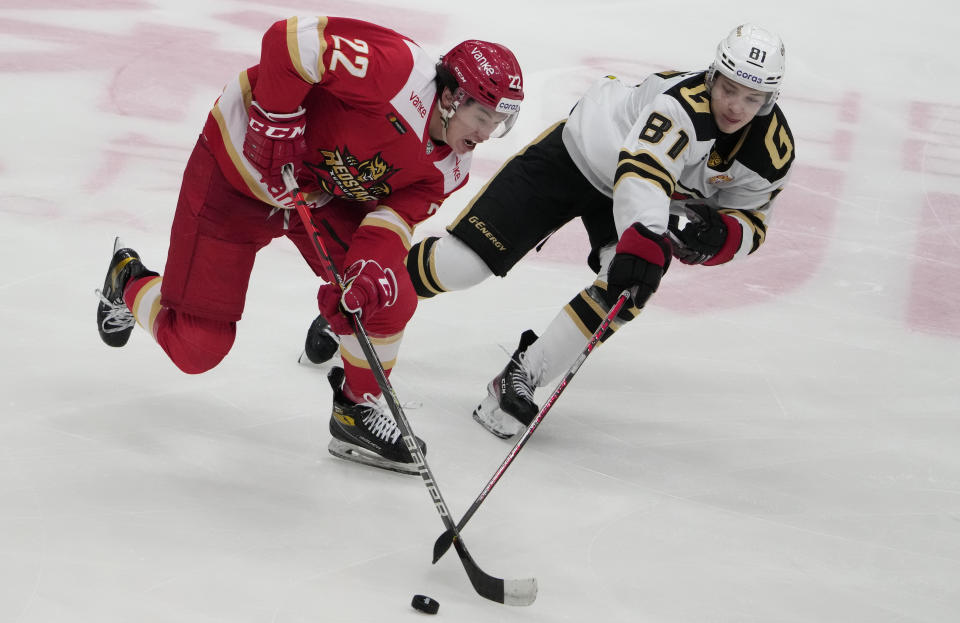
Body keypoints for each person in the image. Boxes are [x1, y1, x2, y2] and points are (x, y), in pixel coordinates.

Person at [306, 23, 796, 438]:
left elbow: (754, 219)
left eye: (752, 97)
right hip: (577, 157)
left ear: (770, 98)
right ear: (712, 76)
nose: (735, 106)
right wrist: (645, 237)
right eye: (728, 88)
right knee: (462, 266)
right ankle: (362, 297)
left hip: (638, 196)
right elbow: (643, 171)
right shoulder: (682, 105)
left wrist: (722, 238)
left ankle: (523, 374)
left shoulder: (772, 152)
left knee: (626, 290)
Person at [95, 15, 525, 474]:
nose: (485, 135)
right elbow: (288, 41)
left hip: (316, 196)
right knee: (197, 347)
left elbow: (389, 224)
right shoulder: (396, 70)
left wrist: (364, 278)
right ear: (450, 96)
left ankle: (356, 410)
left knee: (388, 293)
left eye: (498, 123)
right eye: (482, 116)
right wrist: (274, 120)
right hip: (236, 173)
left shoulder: (450, 171)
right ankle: (127, 282)